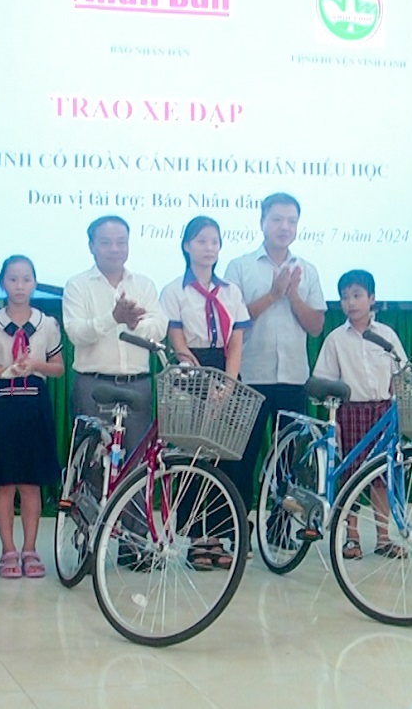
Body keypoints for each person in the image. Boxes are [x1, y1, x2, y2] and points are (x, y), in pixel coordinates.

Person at [223, 192, 326, 516]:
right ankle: (239, 528)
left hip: (293, 378)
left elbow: (316, 326)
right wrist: (273, 294)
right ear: (262, 222)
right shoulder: (240, 267)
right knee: (242, 458)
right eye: (278, 219)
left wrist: (293, 295)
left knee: (290, 460)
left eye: (291, 221)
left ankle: (279, 532)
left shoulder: (307, 270)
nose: (285, 227)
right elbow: (230, 323)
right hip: (250, 377)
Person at [160, 216, 253, 569]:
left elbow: (237, 341)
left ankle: (219, 535)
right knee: (193, 458)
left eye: (214, 241)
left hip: (227, 373)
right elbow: (178, 341)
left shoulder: (231, 291)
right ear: (187, 246)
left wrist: (227, 385)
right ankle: (198, 540)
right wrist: (202, 381)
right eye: (201, 241)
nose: (209, 248)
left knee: (224, 459)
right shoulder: (174, 290)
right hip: (191, 373)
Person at [0, 256, 64, 579]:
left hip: (35, 403)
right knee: (5, 481)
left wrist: (35, 365)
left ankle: (30, 549)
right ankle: (8, 549)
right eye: (12, 279)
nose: (20, 286)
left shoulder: (47, 324)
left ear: (35, 283)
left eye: (26, 279)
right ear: (2, 283)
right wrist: (4, 371)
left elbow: (59, 368)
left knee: (31, 482)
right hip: (3, 404)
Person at [310, 269, 409, 559]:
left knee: (382, 476)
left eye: (357, 295)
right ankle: (351, 538)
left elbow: (401, 372)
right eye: (344, 297)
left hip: (382, 411)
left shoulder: (386, 335)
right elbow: (325, 380)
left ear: (372, 298)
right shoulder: (335, 339)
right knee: (349, 476)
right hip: (350, 412)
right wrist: (333, 420)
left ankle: (383, 537)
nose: (350, 302)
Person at [62, 216, 167, 460]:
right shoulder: (77, 285)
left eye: (121, 242)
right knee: (91, 463)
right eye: (106, 242)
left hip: (137, 385)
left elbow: (159, 328)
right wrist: (113, 318)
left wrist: (133, 324)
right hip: (93, 385)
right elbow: (76, 333)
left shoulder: (144, 284)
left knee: (137, 465)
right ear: (91, 246)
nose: (115, 249)